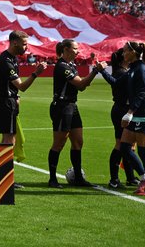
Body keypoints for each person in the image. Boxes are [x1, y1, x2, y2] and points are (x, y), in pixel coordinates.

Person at [0, 30, 47, 188]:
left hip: (10, 101)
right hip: (5, 102)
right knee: (8, 140)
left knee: (9, 139)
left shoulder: (13, 58)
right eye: (24, 44)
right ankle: (3, 178)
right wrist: (36, 73)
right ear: (15, 43)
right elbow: (22, 86)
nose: (27, 47)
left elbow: (14, 88)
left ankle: (1, 176)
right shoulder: (6, 60)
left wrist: (16, 96)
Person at [47, 39, 98, 188]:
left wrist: (90, 76)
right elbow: (81, 84)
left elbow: (81, 87)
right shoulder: (62, 66)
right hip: (61, 107)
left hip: (71, 106)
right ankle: (52, 179)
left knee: (78, 142)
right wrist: (95, 71)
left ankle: (78, 178)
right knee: (59, 143)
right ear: (66, 49)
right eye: (75, 48)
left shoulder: (71, 65)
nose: (78, 51)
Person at [118, 41, 145, 196]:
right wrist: (100, 71)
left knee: (144, 153)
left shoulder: (141, 69)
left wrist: (130, 112)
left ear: (133, 52)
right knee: (125, 148)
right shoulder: (133, 68)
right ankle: (144, 179)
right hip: (137, 115)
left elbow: (141, 94)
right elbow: (117, 83)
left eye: (125, 51)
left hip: (144, 117)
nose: (123, 54)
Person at [95, 47, 138, 189]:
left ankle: (130, 177)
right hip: (121, 110)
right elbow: (116, 84)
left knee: (128, 145)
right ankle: (114, 179)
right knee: (120, 144)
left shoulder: (123, 71)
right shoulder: (121, 72)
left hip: (123, 109)